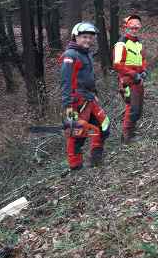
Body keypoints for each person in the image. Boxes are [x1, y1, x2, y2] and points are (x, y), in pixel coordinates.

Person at [60, 22, 110, 170]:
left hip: (89, 98)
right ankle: (75, 167)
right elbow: (66, 82)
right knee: (76, 134)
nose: (88, 40)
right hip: (77, 102)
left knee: (103, 126)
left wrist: (94, 94)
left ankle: (96, 160)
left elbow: (88, 78)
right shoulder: (70, 55)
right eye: (84, 37)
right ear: (75, 37)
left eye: (90, 37)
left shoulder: (85, 53)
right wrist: (69, 107)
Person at [113, 15, 147, 144]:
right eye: (132, 28)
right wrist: (133, 74)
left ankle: (131, 133)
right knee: (132, 108)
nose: (134, 30)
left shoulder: (138, 43)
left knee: (138, 109)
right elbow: (117, 64)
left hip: (138, 80)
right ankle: (127, 137)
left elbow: (142, 59)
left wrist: (144, 70)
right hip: (127, 81)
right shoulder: (121, 44)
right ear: (126, 28)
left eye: (136, 28)